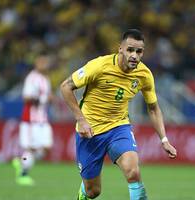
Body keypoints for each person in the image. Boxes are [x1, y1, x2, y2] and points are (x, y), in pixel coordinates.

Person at [60, 29, 177, 199]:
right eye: (130, 50)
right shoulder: (99, 66)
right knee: (93, 191)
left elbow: (153, 108)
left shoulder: (144, 75)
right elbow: (65, 86)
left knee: (133, 171)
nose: (134, 56)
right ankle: (84, 191)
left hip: (118, 128)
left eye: (139, 51)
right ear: (120, 49)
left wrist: (164, 140)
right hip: (90, 131)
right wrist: (81, 120)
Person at [12, 52, 55, 186]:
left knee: (46, 148)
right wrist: (44, 99)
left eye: (46, 62)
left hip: (43, 119)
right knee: (30, 149)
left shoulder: (45, 79)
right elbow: (26, 98)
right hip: (31, 120)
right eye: (42, 62)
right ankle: (23, 174)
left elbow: (48, 97)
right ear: (36, 63)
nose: (44, 65)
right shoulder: (31, 78)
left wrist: (49, 99)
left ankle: (21, 161)